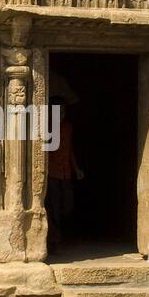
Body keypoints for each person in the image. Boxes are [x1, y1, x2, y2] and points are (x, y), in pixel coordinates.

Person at [45, 97, 83, 251]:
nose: (61, 114)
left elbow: (69, 150)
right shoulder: (48, 128)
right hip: (52, 172)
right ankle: (55, 240)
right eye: (58, 111)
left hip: (65, 172)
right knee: (53, 206)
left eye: (63, 111)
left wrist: (76, 169)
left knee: (67, 205)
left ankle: (57, 235)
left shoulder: (68, 127)